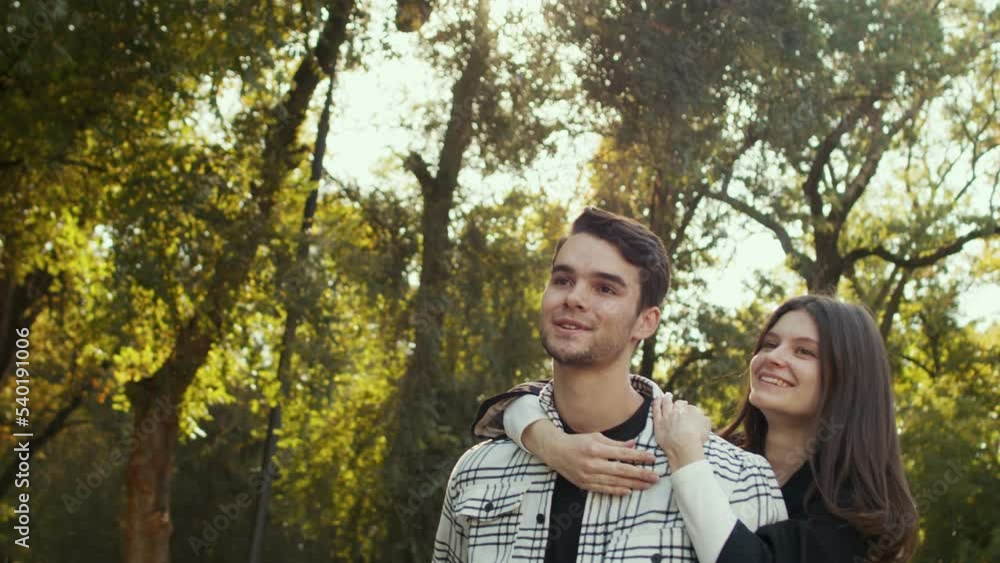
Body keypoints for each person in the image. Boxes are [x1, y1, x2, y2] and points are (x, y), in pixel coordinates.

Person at [433, 207, 787, 562]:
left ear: (645, 323)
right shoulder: (477, 471)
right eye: (563, 280)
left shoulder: (739, 479)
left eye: (605, 288)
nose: (574, 298)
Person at [472, 295, 920, 562]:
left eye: (805, 352)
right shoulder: (723, 457)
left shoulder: (857, 514)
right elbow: (523, 400)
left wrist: (687, 459)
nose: (773, 358)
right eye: (769, 343)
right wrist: (551, 443)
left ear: (848, 377)